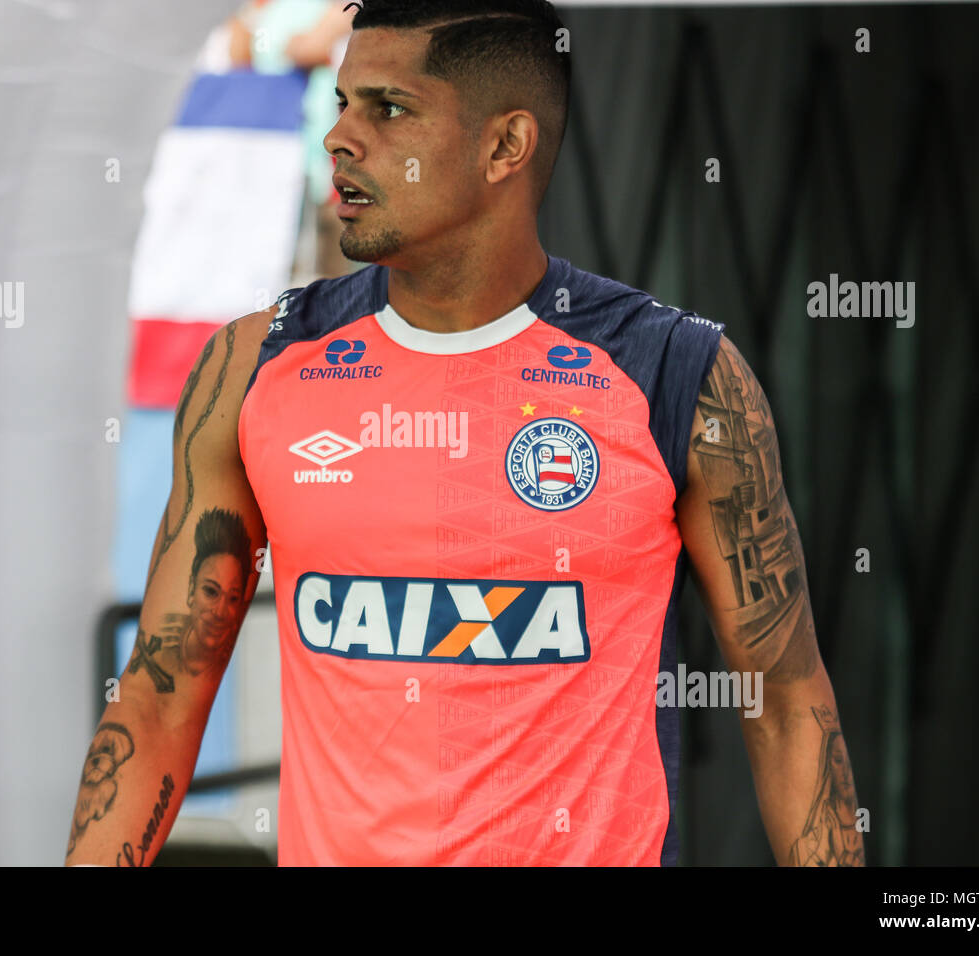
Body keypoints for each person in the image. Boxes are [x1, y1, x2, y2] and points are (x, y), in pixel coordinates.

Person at [64, 0, 864, 867]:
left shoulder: (677, 371)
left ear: (504, 146)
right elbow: (158, 701)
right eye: (340, 105)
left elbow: (787, 704)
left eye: (389, 108)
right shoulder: (254, 368)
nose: (341, 139)